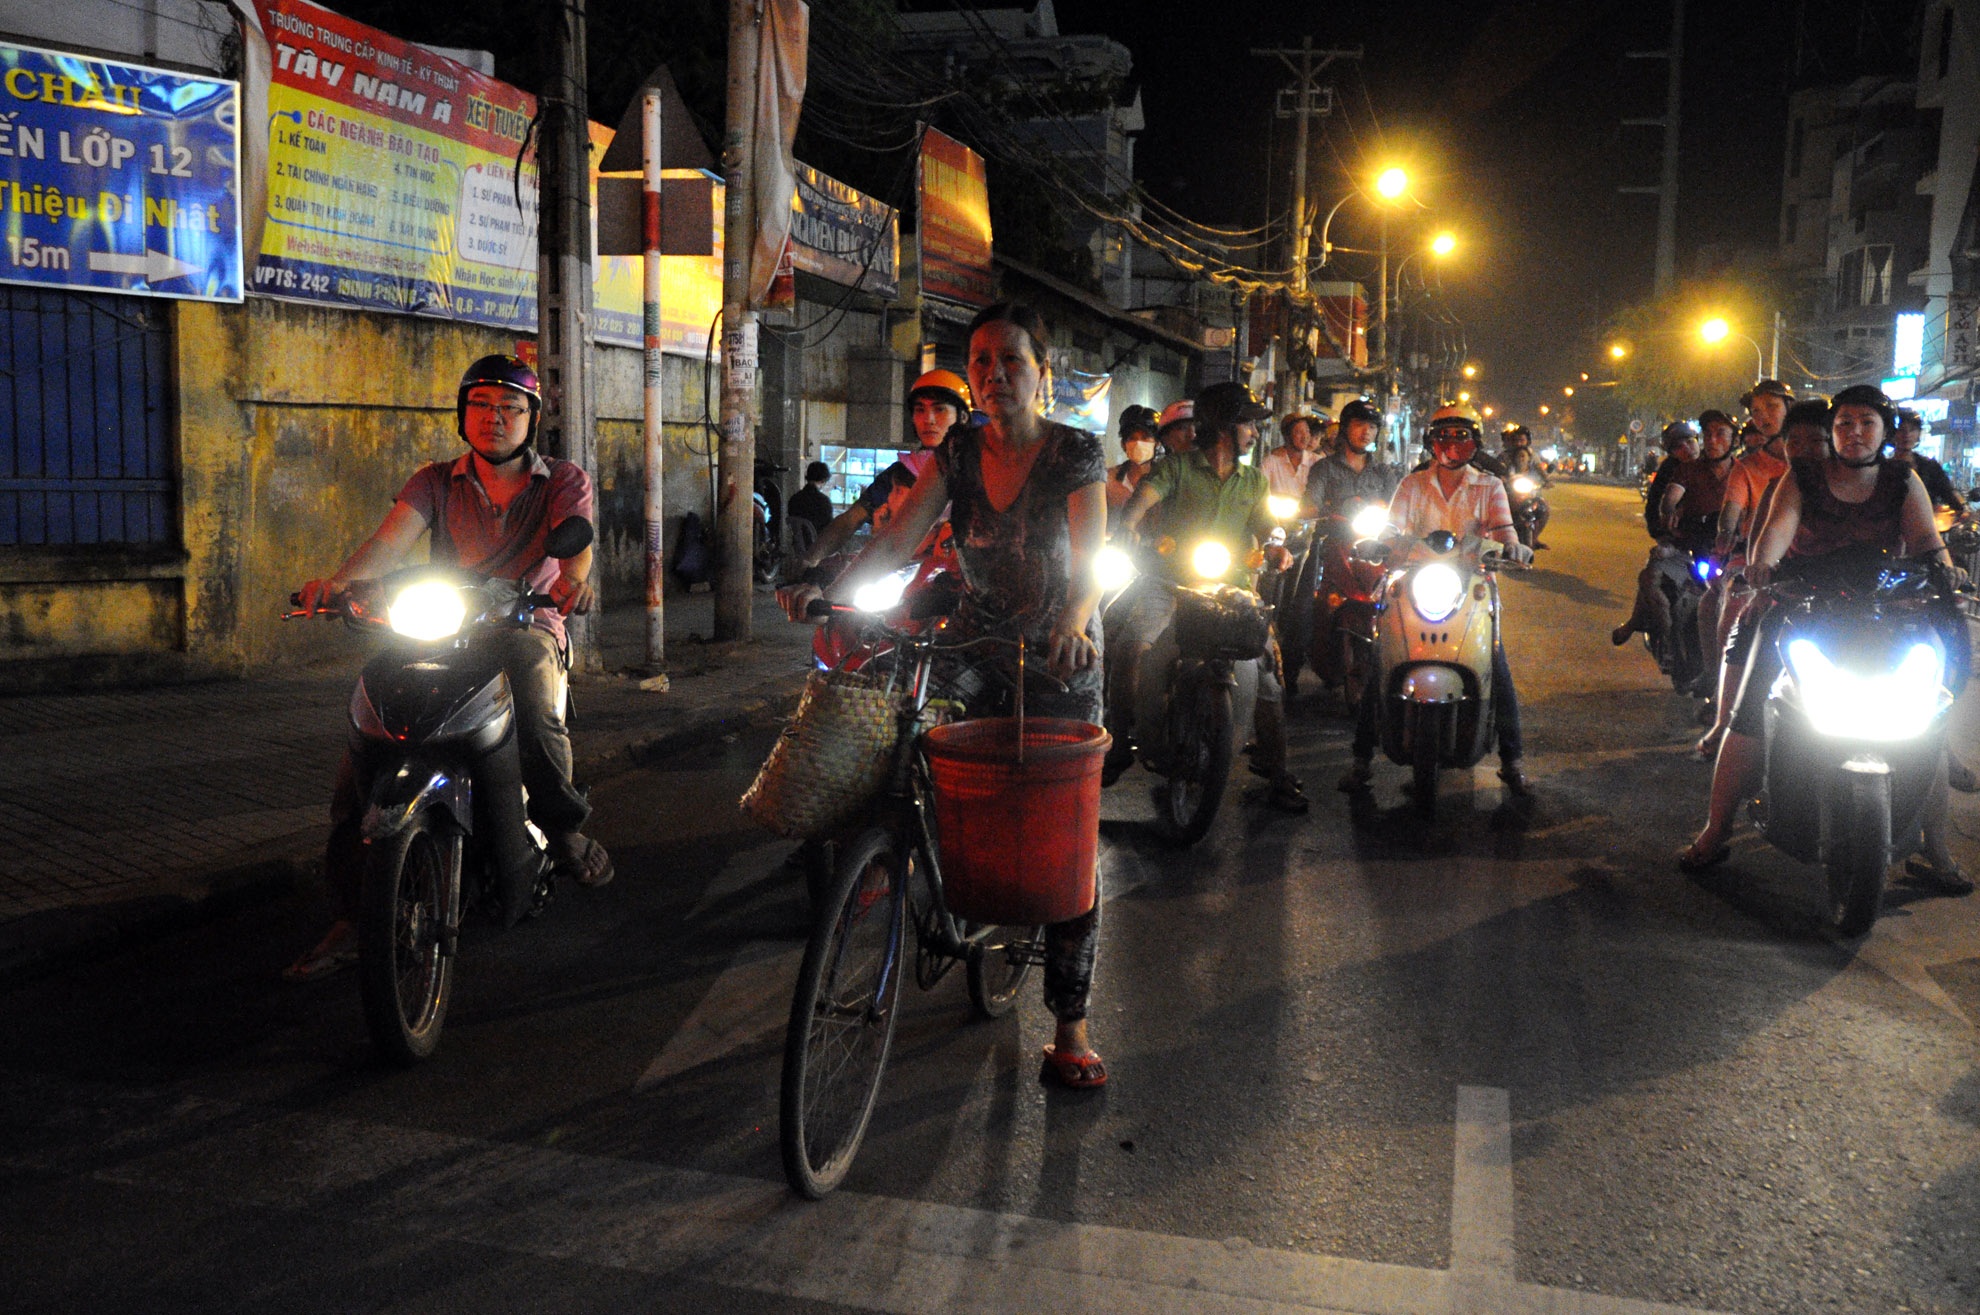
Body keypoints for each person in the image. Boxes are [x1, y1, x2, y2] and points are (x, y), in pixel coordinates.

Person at [793, 303, 1112, 1088]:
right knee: (898, 735)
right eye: (979, 363)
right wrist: (830, 584)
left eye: (1011, 361)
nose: (994, 376)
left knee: (1064, 840)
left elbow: (1092, 556)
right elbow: (899, 537)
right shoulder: (959, 452)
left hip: (1056, 655)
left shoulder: (1074, 451)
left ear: (1042, 372)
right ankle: (907, 864)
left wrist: (1075, 619)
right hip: (971, 637)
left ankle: (1070, 1023)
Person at [284, 355, 609, 980]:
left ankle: (564, 829)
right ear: (463, 415)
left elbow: (578, 540)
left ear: (531, 420)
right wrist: (339, 583)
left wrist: (574, 583)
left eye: (511, 408)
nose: (496, 418)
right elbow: (388, 542)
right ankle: (354, 914)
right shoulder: (434, 480)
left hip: (523, 624)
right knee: (363, 743)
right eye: (483, 405)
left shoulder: (563, 479)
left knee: (537, 707)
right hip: (447, 622)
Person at [1679, 385, 1967, 893]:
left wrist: (1947, 574)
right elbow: (1777, 530)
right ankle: (1715, 829)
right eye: (1844, 424)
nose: (1854, 433)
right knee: (1747, 715)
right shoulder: (1803, 476)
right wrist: (1764, 566)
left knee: (1928, 718)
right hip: (1801, 606)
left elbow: (1926, 540)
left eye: (1867, 423)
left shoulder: (1905, 480)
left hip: (1885, 613)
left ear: (1884, 431)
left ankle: (1936, 850)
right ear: (1833, 432)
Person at [1112, 381, 1310, 813]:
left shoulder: (1254, 480)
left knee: (1268, 673)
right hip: (1169, 584)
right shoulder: (1176, 469)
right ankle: (1116, 743)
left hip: (1231, 588)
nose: (1254, 434)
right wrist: (1127, 528)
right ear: (1224, 425)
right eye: (1248, 425)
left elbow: (1266, 527)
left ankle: (1277, 773)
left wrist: (1276, 550)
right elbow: (1142, 501)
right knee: (1129, 647)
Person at [1343, 403, 1534, 797]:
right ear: (1432, 444)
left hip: (1472, 585)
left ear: (1474, 444)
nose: (1451, 445)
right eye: (1443, 437)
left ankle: (1512, 761)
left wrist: (1513, 549)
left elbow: (1504, 533)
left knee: (1495, 664)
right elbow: (1393, 527)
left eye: (1460, 437)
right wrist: (1379, 541)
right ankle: (1361, 759)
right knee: (1382, 658)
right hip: (1413, 582)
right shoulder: (1412, 485)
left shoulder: (1489, 486)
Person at [783, 369, 972, 579]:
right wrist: (811, 558)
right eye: (920, 410)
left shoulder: (980, 470)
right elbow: (851, 520)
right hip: (905, 578)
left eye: (940, 410)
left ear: (962, 417)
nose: (928, 419)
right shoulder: (901, 472)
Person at [1611, 417, 1732, 655]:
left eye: (1689, 442)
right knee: (1650, 577)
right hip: (1681, 544)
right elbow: (1657, 507)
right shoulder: (1671, 471)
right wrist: (1664, 534)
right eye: (1678, 447)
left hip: (1721, 545)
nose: (1687, 449)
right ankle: (1667, 640)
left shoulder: (1729, 465)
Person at [1301, 398, 1400, 522]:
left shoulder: (1384, 473)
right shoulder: (1324, 468)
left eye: (1372, 427)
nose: (1366, 432)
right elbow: (1311, 506)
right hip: (1331, 536)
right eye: (1359, 425)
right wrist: (1331, 510)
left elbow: (1394, 512)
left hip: (1372, 537)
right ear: (1345, 428)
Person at [1889, 409, 1968, 516]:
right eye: (1901, 430)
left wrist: (1963, 509)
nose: (1907, 435)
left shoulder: (1930, 467)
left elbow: (1948, 493)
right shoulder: (1882, 468)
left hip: (1927, 524)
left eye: (1912, 430)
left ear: (1918, 434)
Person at [1499, 423, 1551, 546]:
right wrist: (1501, 478)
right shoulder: (1504, 456)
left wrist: (1546, 480)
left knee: (1545, 509)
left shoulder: (1533, 455)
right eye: (1516, 440)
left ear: (1528, 441)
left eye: (1522, 440)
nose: (1519, 443)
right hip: (1510, 492)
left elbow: (1539, 469)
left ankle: (1534, 538)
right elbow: (1498, 468)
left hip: (1530, 492)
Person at [1106, 404, 1160, 522]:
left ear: (1157, 443)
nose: (1138, 443)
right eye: (1132, 438)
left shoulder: (1165, 479)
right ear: (1123, 444)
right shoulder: (1108, 478)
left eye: (1145, 438)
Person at [1260, 411, 1324, 500]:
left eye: (1307, 431)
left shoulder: (1318, 462)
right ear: (1287, 436)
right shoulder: (1271, 463)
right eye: (1299, 432)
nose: (1305, 436)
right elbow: (1261, 494)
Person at [786, 461, 835, 556]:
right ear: (823, 480)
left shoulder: (794, 498)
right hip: (818, 549)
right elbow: (829, 529)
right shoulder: (823, 501)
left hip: (798, 548)